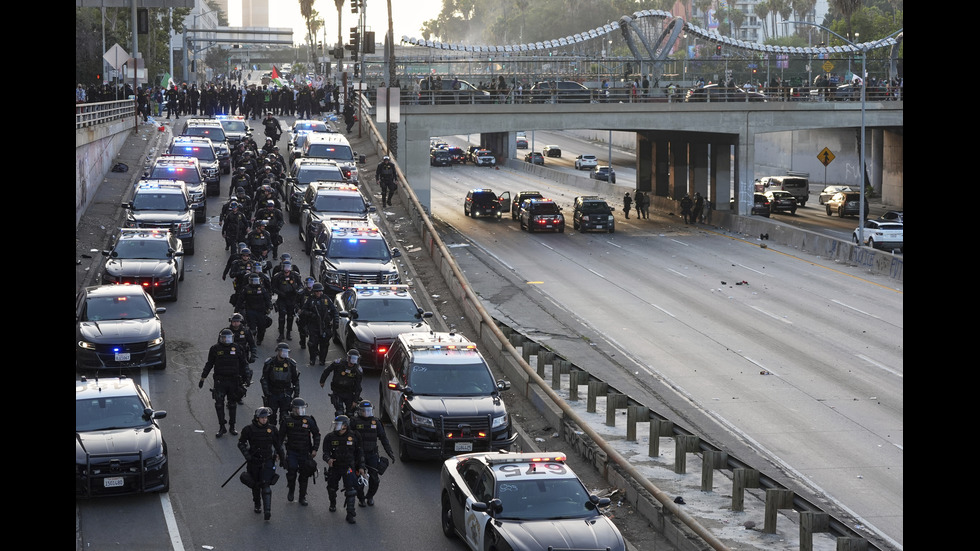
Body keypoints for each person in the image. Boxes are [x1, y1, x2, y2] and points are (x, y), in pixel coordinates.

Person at [199, 329, 250, 437]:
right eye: (224, 338)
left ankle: (232, 426)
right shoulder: (215, 349)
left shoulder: (237, 348)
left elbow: (244, 363)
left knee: (232, 404)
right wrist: (203, 377)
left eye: (229, 338)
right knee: (219, 404)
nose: (226, 340)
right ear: (220, 338)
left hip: (233, 380)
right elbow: (209, 364)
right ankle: (222, 427)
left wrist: (247, 377)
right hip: (220, 381)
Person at [238, 407, 285, 520]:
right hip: (254, 462)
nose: (264, 419)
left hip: (267, 461)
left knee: (266, 485)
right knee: (255, 485)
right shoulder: (248, 429)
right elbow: (241, 443)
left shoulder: (272, 429)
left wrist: (282, 458)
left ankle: (267, 511)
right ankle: (257, 504)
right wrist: (247, 455)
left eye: (266, 417)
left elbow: (278, 445)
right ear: (257, 418)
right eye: (262, 418)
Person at [351, 400, 394, 507]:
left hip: (372, 454)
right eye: (364, 411)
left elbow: (383, 438)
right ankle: (361, 498)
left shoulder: (376, 422)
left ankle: (370, 496)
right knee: (358, 478)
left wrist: (390, 452)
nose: (366, 413)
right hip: (358, 455)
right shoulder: (354, 422)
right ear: (359, 411)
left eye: (368, 411)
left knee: (374, 479)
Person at [323, 414, 365, 524]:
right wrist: (328, 459)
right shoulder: (329, 437)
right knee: (331, 488)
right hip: (335, 467)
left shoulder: (354, 436)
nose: (336, 426)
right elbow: (325, 452)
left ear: (345, 426)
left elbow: (360, 453)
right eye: (335, 424)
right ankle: (333, 503)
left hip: (348, 468)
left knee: (351, 491)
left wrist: (361, 467)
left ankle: (350, 514)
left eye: (338, 424)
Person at [279, 397, 321, 506]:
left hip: (305, 452)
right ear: (293, 409)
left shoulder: (309, 420)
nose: (300, 411)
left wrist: (315, 449)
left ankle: (302, 496)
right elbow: (280, 438)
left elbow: (316, 434)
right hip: (292, 451)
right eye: (298, 409)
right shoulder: (287, 421)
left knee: (304, 474)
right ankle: (291, 489)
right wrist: (279, 453)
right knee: (291, 471)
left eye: (302, 408)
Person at [260, 343, 301, 426]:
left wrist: (296, 395)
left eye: (286, 352)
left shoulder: (291, 364)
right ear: (278, 351)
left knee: (284, 417)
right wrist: (266, 393)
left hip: (285, 393)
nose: (285, 353)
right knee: (271, 416)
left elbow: (295, 380)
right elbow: (264, 379)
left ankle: (283, 433)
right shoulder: (270, 363)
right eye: (283, 351)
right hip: (272, 393)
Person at [300, 282, 337, 366]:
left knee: (324, 344)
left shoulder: (326, 299)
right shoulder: (310, 299)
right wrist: (311, 314)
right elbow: (303, 310)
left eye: (320, 291)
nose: (318, 293)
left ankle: (322, 360)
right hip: (313, 325)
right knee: (312, 343)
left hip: (325, 325)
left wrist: (335, 322)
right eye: (317, 291)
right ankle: (312, 359)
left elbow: (334, 311)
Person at [319, 349, 363, 416]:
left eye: (354, 360)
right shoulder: (338, 363)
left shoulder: (358, 370)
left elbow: (358, 386)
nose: (352, 363)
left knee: (350, 413)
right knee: (340, 413)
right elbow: (327, 370)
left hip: (349, 393)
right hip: (337, 392)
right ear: (348, 358)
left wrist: (355, 400)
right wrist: (322, 381)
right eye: (351, 360)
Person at [236, 272, 273, 345]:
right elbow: (240, 300)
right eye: (253, 281)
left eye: (256, 281)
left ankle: (259, 339)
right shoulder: (246, 289)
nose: (254, 282)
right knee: (252, 328)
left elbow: (267, 299)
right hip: (250, 310)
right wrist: (236, 310)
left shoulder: (262, 289)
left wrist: (269, 307)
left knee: (262, 327)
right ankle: (251, 340)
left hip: (261, 311)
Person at [271, 260, 302, 342]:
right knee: (281, 317)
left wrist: (297, 290)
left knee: (290, 317)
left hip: (292, 299)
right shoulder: (278, 276)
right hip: (282, 299)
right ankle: (281, 334)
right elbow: (273, 287)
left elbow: (300, 285)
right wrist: (280, 293)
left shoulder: (295, 275)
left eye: (288, 267)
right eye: (285, 267)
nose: (287, 269)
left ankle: (288, 332)